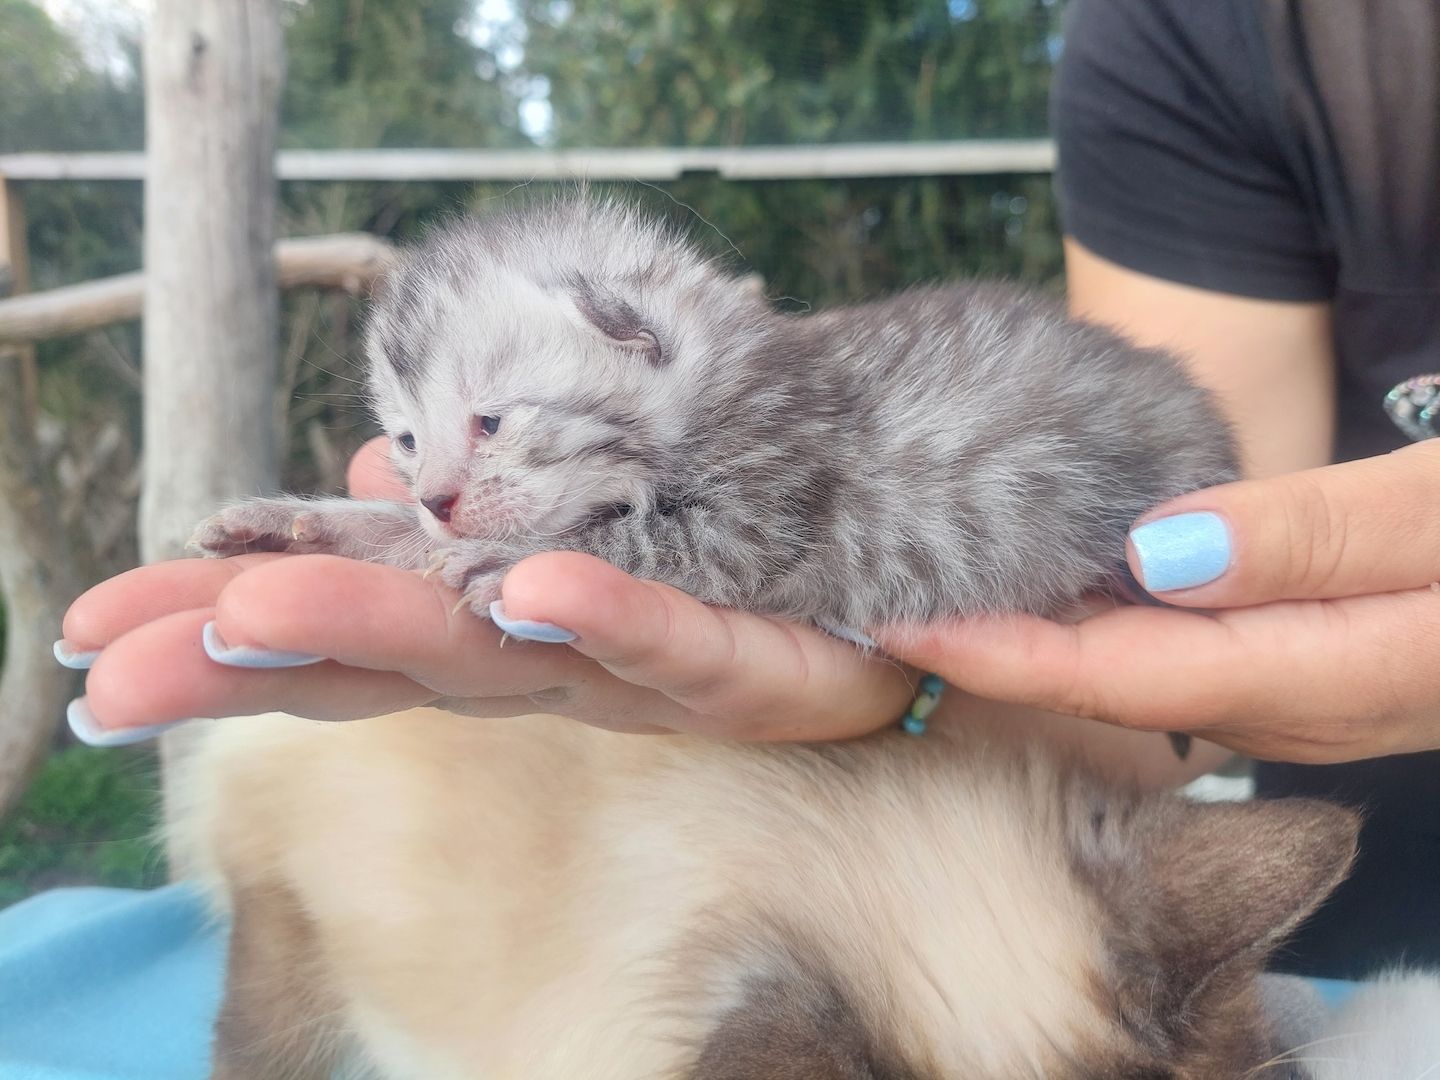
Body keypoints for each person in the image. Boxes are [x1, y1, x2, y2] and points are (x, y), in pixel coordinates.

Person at [57, 0, 1439, 984]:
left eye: (482, 424)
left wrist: (423, 545)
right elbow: (1172, 701)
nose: (440, 486)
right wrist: (353, 526)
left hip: (1135, 523)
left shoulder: (759, 433)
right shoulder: (1194, 37)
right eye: (405, 444)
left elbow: (732, 552)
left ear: (639, 341)